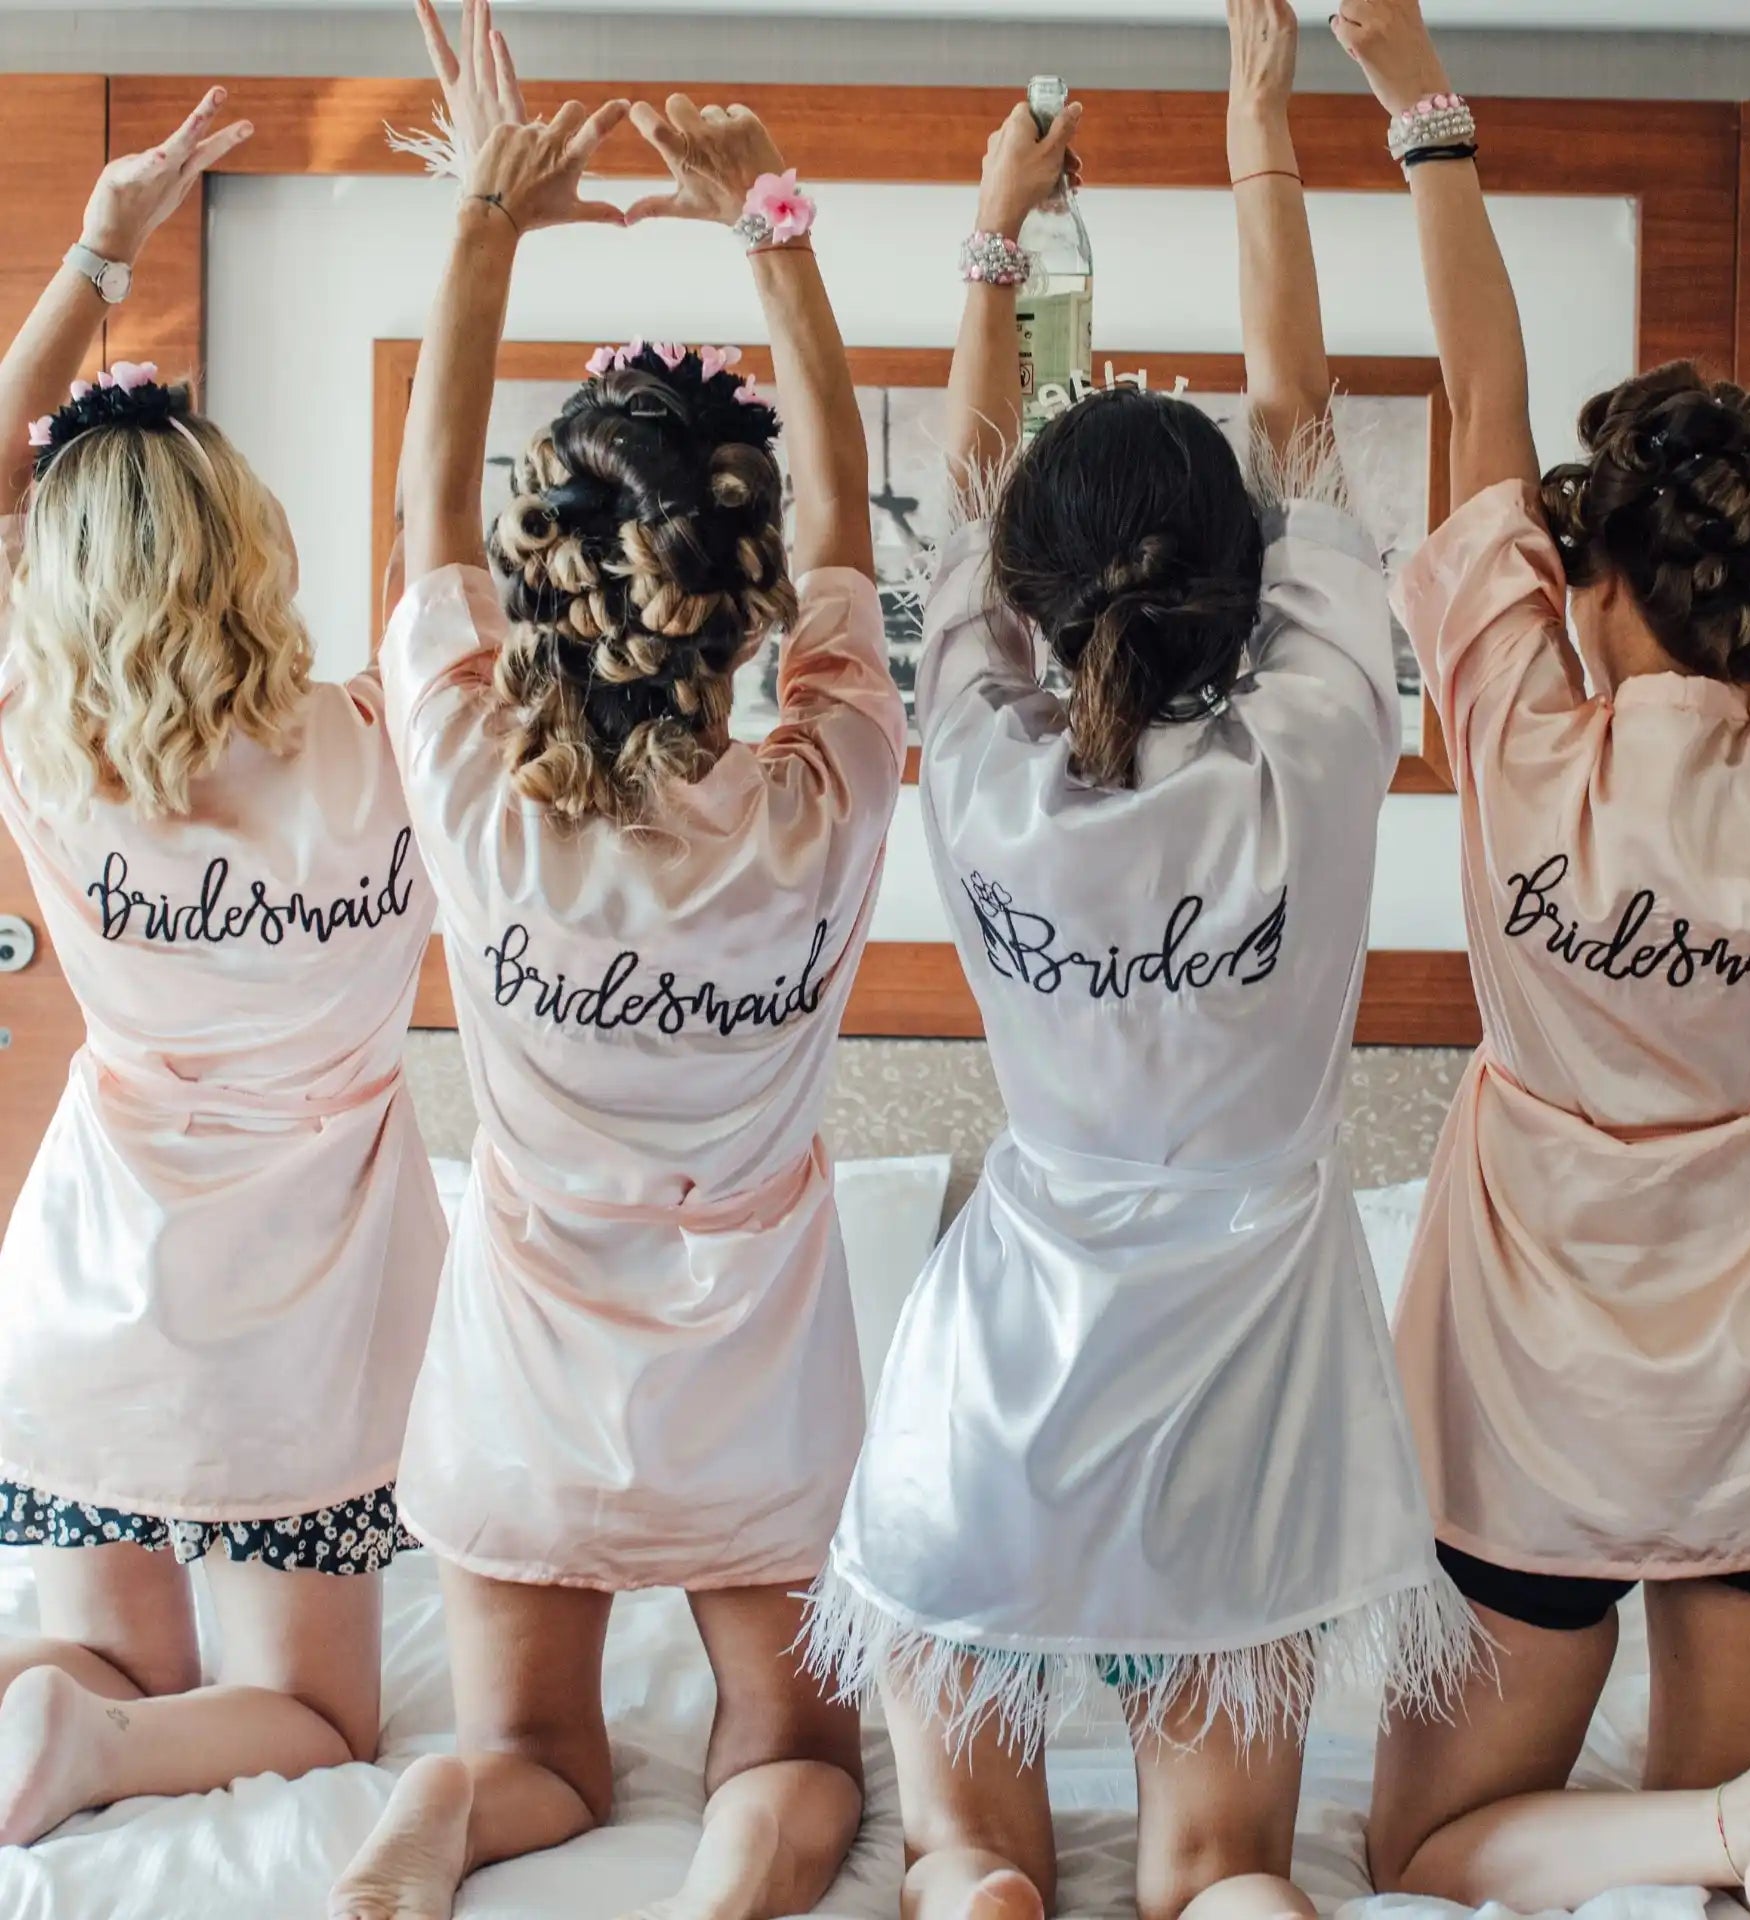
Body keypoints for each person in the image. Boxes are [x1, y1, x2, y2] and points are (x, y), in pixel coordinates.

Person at [805, 8, 1480, 1919]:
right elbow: (1296, 415)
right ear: (1247, 590)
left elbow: (965, 466)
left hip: (999, 1385)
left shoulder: (990, 779)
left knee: (962, 1861)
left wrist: (996, 230)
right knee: (1227, 1875)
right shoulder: (1321, 752)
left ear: (1023, 598)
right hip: (1254, 1383)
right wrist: (1262, 115)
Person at [1329, 6, 1750, 1918]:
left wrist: (1418, 95)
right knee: (1727, 1883)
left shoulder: (1517, 738)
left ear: (1585, 585)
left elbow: (1476, 375)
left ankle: (1747, 1819)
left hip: (1539, 1398)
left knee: (1418, 1853)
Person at [329, 6, 904, 1918]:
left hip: (525, 1380)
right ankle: (733, 1892)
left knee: (535, 1760)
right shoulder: (822, 794)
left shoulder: (480, 795)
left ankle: (438, 1818)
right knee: (797, 1751)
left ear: (549, 576)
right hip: (756, 1391)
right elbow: (844, 526)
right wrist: (777, 228)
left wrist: (485, 222)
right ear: (738, 609)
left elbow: (419, 527)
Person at [0, 91, 442, 1844]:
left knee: (101, 1653)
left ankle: (64, 1713)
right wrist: (479, 223)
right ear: (253, 546)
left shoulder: (47, 740)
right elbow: (440, 535)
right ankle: (93, 1754)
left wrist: (103, 251)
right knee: (323, 1717)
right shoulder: (390, 747)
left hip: (91, 1299)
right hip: (301, 1345)